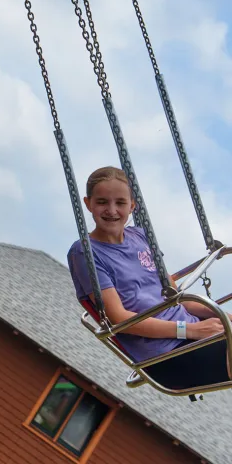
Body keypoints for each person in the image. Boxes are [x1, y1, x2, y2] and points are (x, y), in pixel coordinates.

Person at [68, 166, 230, 391]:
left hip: (194, 334)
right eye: (102, 202)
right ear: (88, 204)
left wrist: (222, 315)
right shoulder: (85, 252)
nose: (112, 210)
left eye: (121, 203)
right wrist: (190, 330)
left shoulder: (141, 237)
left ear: (132, 206)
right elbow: (119, 319)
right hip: (165, 355)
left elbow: (178, 298)